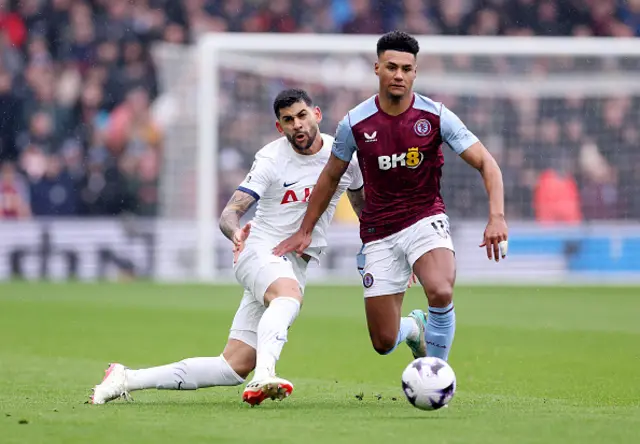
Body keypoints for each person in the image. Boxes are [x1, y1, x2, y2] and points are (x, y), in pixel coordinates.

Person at [89, 89, 365, 406]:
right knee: (288, 297)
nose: (297, 125)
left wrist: (382, 251)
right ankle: (265, 375)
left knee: (232, 367)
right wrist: (236, 234)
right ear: (280, 127)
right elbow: (229, 214)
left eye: (302, 116)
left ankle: (126, 378)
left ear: (316, 114)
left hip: (293, 263)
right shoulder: (271, 159)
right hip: (259, 250)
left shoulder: (344, 156)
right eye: (288, 120)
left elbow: (364, 210)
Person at [274, 31, 508, 363]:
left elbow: (487, 163)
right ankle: (413, 328)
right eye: (391, 66)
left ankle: (435, 372)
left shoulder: (436, 116)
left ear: (415, 72)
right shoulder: (354, 123)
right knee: (383, 341)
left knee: (441, 290)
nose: (399, 75)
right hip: (379, 233)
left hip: (425, 217)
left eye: (406, 69)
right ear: (377, 69)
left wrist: (496, 216)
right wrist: (305, 229)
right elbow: (330, 176)